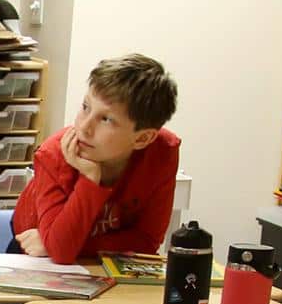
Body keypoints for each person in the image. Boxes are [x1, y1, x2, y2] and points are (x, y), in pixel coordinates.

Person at [13, 54, 182, 264]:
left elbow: (147, 242)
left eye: (106, 119)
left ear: (142, 138)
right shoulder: (54, 153)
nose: (84, 127)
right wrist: (90, 179)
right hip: (30, 254)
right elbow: (61, 252)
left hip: (94, 259)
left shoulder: (163, 152)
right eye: (85, 107)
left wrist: (70, 244)